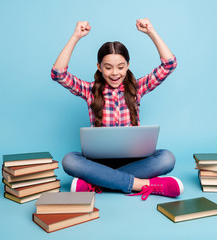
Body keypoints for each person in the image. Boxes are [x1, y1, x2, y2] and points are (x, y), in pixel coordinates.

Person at [51, 19, 183, 200]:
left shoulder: (137, 88)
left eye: (120, 67)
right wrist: (76, 37)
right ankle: (144, 185)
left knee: (167, 157)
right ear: (99, 67)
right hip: (98, 162)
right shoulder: (90, 91)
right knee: (69, 160)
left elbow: (169, 64)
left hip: (134, 161)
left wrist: (151, 32)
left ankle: (96, 182)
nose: (115, 73)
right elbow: (58, 73)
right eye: (108, 67)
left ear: (128, 66)